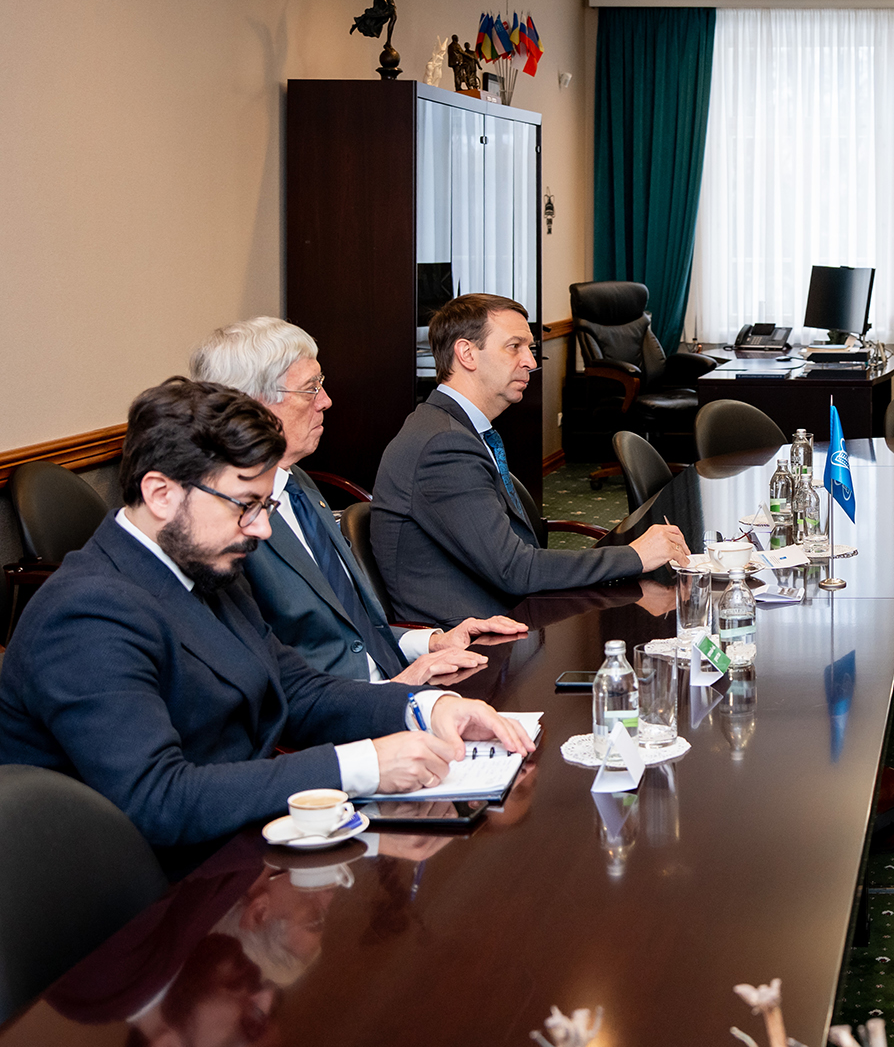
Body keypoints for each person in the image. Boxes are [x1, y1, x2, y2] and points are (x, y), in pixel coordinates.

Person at [0, 378, 533, 846]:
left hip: (237, 840)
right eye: (245, 506)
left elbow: (296, 691)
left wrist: (426, 707)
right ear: (161, 494)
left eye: (265, 505)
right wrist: (362, 765)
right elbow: (158, 799)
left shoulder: (206, 567)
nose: (261, 529)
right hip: (146, 891)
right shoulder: (86, 615)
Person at [189, 317, 527, 685]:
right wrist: (393, 694)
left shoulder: (297, 484)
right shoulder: (224, 525)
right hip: (339, 708)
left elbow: (350, 632)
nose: (326, 400)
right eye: (310, 388)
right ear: (253, 405)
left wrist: (431, 641)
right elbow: (270, 676)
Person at [370, 294, 691, 624]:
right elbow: (513, 569)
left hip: (510, 611)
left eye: (530, 348)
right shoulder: (444, 446)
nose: (530, 361)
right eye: (514, 347)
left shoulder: (455, 428)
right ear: (467, 353)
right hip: (470, 637)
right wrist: (634, 555)